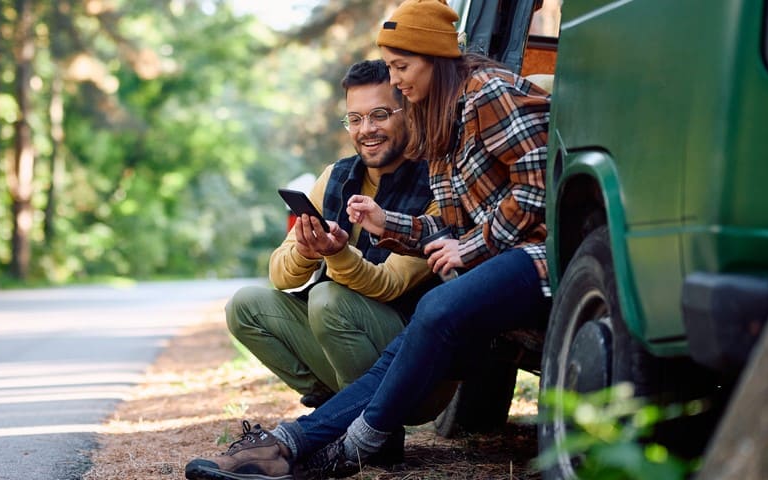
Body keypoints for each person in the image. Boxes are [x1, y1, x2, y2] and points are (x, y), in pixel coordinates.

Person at [183, 1, 552, 479]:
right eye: (355, 118)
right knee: (401, 336)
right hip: (491, 267)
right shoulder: (438, 124)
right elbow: (449, 229)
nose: (396, 79)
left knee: (429, 309)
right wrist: (386, 224)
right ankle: (292, 444)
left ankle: (344, 448)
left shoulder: (488, 91)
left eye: (402, 67)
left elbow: (539, 184)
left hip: (540, 254)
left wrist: (470, 246)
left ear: (436, 58)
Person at [226, 59, 438, 410]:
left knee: (328, 298)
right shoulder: (335, 176)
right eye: (355, 119)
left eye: (380, 114)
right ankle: (334, 409)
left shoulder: (435, 183)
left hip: (411, 360)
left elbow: (390, 285)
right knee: (244, 306)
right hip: (342, 342)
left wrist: (337, 254)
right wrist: (307, 252)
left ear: (409, 113)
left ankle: (372, 426)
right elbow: (279, 273)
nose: (366, 129)